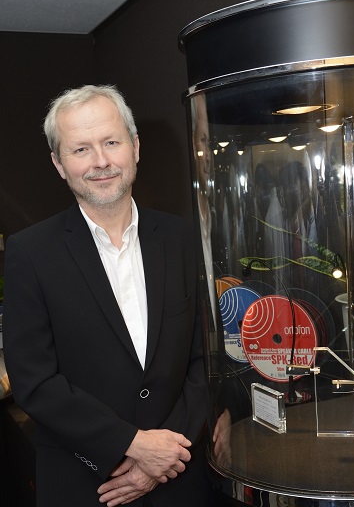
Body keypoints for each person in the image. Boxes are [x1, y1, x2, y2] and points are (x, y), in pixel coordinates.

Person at [3, 85, 211, 507]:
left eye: (111, 142)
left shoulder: (184, 239)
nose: (100, 161)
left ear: (135, 147)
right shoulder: (30, 253)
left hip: (182, 478)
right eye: (81, 149)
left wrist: (162, 458)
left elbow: (206, 359)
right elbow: (34, 382)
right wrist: (133, 445)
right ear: (59, 164)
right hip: (86, 486)